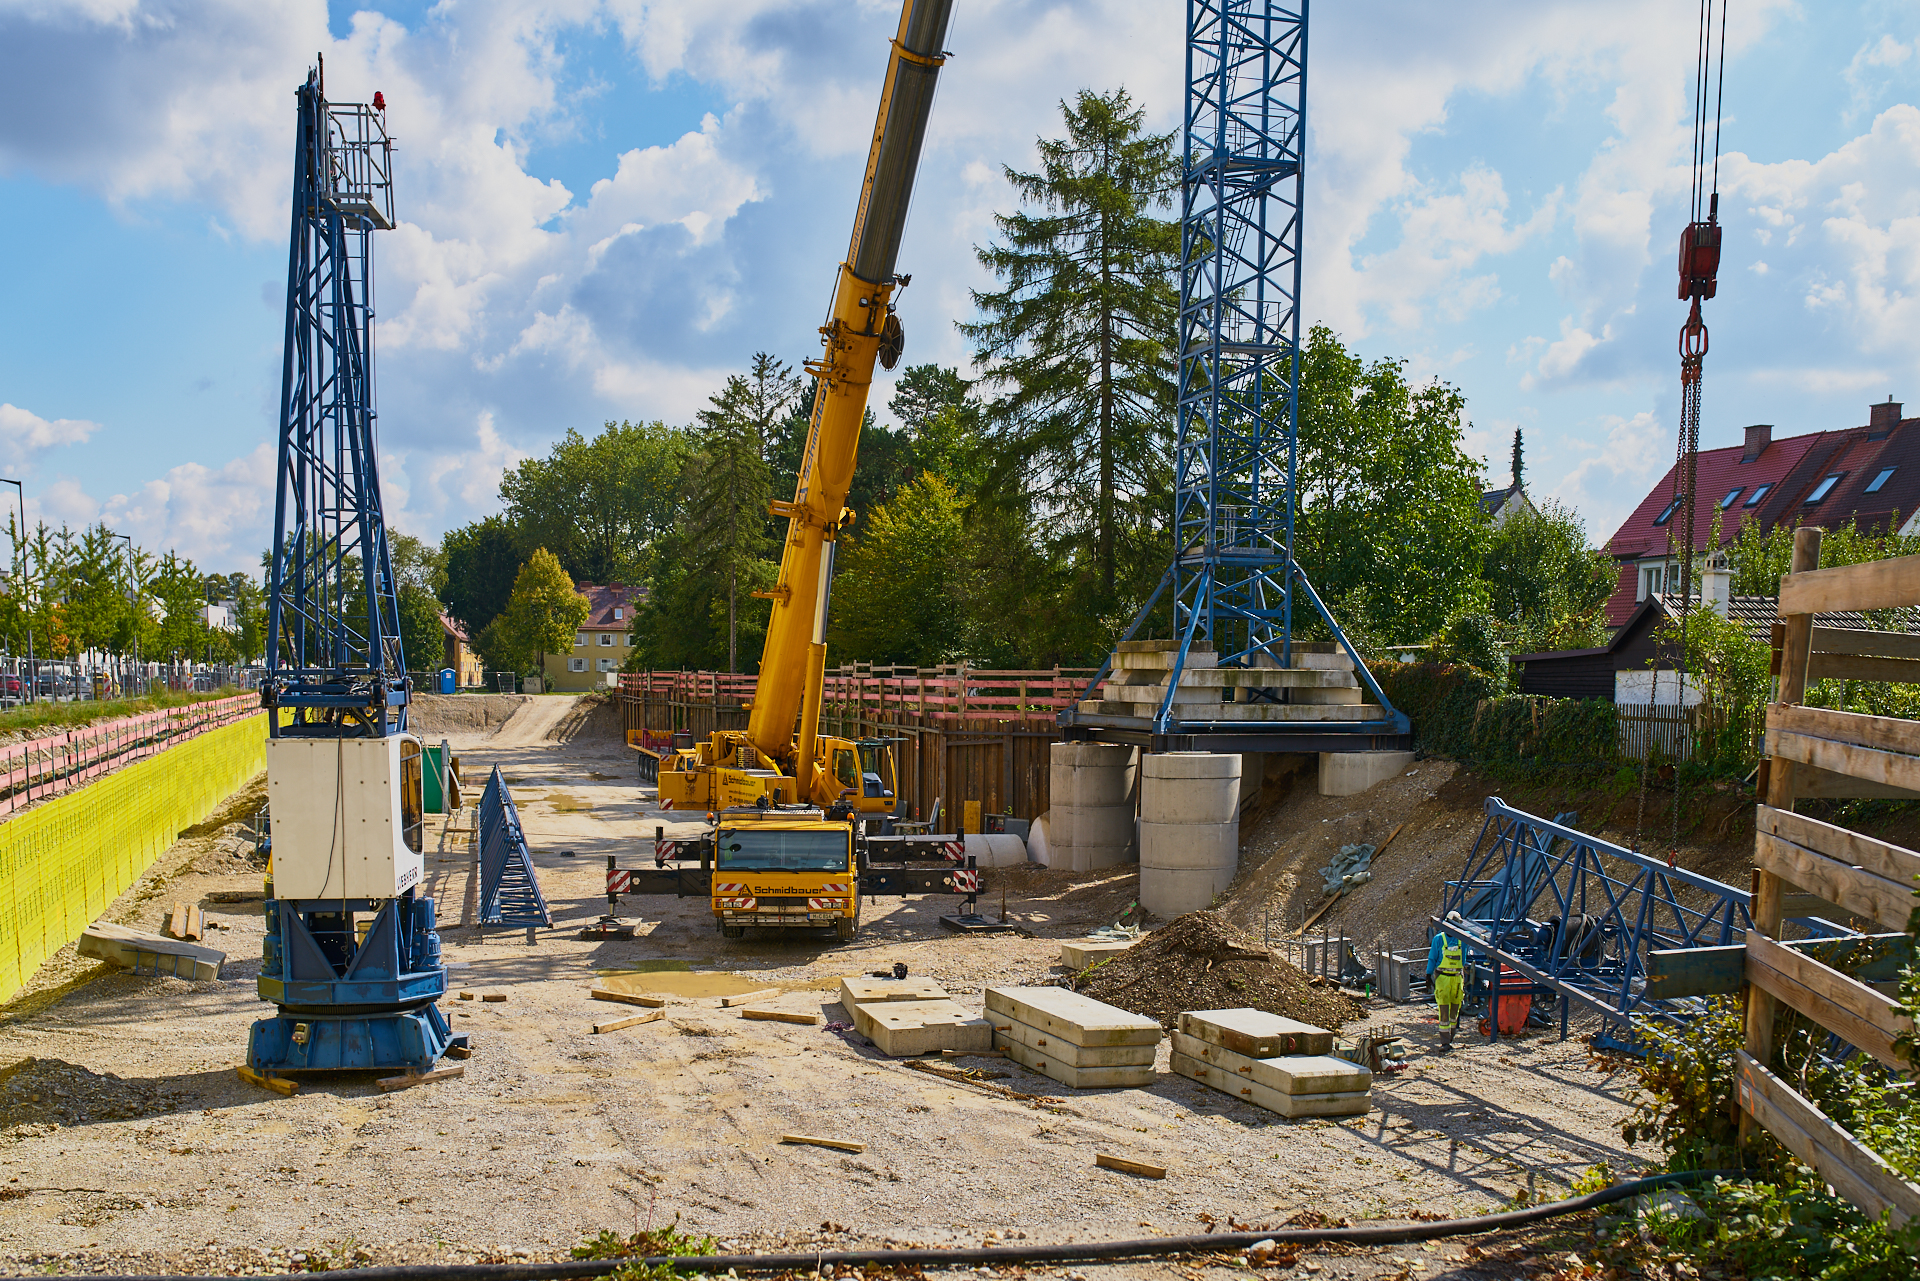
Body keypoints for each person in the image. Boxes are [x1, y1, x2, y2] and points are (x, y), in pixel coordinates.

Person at [1427, 911, 1468, 1050]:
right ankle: (1445, 1041)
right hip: (1443, 978)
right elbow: (1432, 958)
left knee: (1454, 1011)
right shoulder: (1439, 939)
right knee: (1444, 1010)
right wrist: (1428, 974)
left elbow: (1463, 960)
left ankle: (1451, 1037)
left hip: (1456, 979)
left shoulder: (1462, 940)